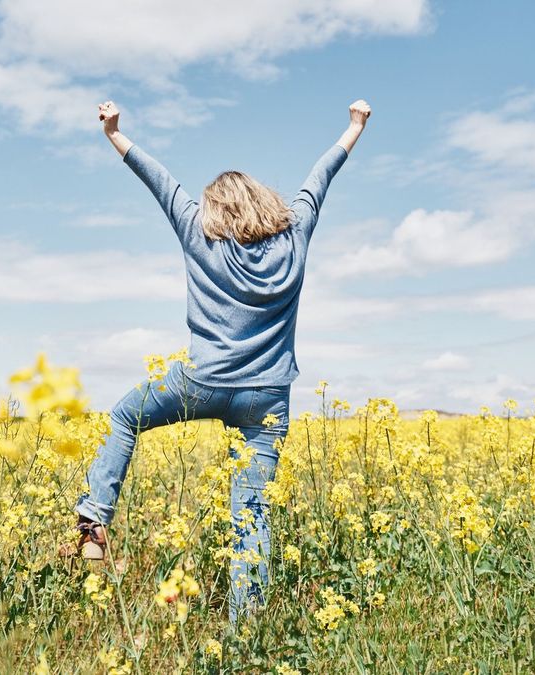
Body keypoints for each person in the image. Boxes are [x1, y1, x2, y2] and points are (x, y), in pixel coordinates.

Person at [66, 98, 370, 624]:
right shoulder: (295, 232)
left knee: (124, 416)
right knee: (251, 514)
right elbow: (323, 174)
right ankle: (244, 631)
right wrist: (354, 126)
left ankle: (93, 521)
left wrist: (115, 133)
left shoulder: (197, 232)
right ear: (265, 202)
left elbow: (159, 179)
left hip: (201, 382)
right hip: (268, 397)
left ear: (214, 210)